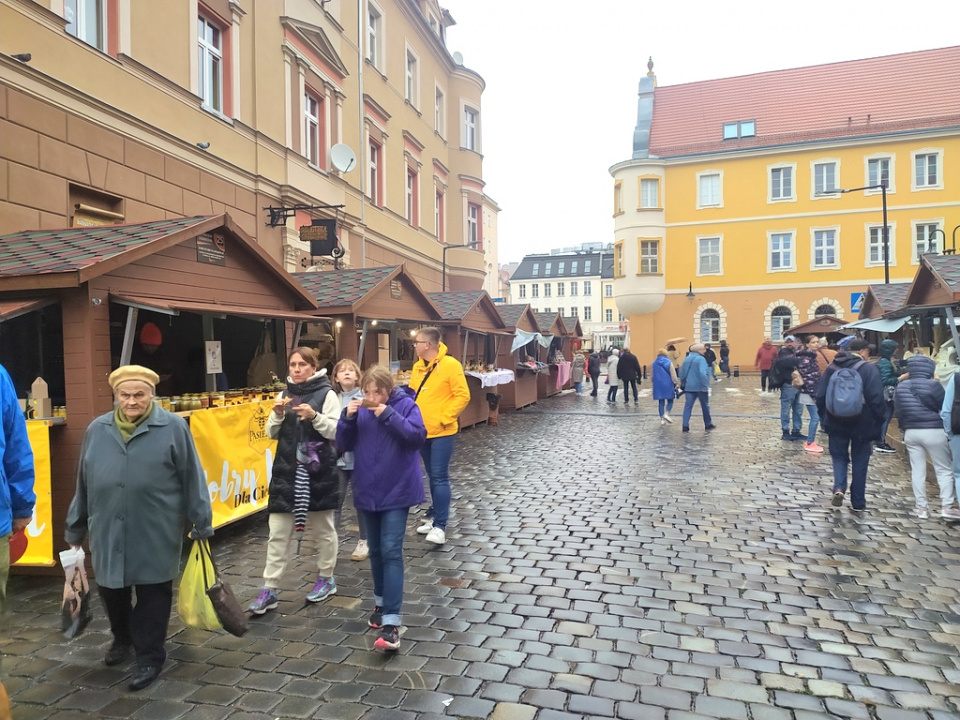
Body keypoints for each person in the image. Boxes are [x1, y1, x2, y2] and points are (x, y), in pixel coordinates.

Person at [64, 365, 212, 691]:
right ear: (116, 396)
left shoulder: (173, 427)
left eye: (139, 395)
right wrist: (75, 529)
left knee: (153, 594)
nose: (132, 401)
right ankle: (122, 639)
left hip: (155, 528)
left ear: (151, 395)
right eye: (125, 395)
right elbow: (83, 483)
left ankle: (150, 655)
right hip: (107, 528)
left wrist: (202, 520)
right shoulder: (97, 429)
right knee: (110, 590)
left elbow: (192, 476)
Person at [336, 366, 426, 652]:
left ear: (389, 389)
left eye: (378, 392)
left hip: (397, 489)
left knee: (390, 550)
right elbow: (341, 444)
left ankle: (392, 623)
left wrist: (387, 413)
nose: (372, 397)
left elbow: (416, 436)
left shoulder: (406, 405)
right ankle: (379, 603)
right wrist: (347, 419)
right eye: (367, 392)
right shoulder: (360, 409)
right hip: (367, 488)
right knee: (374, 550)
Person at [248, 347, 342, 615]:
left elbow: (337, 430)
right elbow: (270, 433)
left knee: (323, 529)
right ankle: (270, 588)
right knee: (277, 532)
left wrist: (315, 417)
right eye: (292, 364)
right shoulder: (284, 393)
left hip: (318, 470)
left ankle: (326, 578)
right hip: (287, 470)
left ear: (314, 367)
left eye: (302, 364)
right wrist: (277, 414)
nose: (297, 369)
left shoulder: (327, 394)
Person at [409, 327, 470, 545]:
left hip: (443, 430)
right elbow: (413, 394)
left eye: (417, 342)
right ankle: (434, 515)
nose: (414, 345)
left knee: (439, 475)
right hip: (422, 429)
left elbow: (462, 395)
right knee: (432, 476)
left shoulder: (450, 365)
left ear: (428, 344)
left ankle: (440, 526)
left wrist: (445, 417)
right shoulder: (418, 367)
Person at [816, 339, 885, 511]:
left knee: (839, 457)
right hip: (863, 421)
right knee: (860, 460)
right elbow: (876, 398)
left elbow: (820, 396)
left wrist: (825, 417)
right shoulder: (869, 369)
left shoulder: (832, 368)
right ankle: (858, 502)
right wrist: (879, 420)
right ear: (862, 351)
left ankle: (839, 488)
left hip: (836, 420)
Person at [896, 355, 960, 520]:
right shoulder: (934, 385)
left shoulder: (901, 386)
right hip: (934, 430)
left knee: (917, 471)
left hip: (911, 432)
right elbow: (944, 407)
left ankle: (921, 509)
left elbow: (899, 411)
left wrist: (904, 429)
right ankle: (947, 506)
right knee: (943, 469)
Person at [332, 358, 367, 561]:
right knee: (335, 501)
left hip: (359, 457)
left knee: (360, 501)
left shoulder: (363, 397)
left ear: (357, 375)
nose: (346, 373)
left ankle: (364, 540)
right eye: (342, 371)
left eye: (350, 370)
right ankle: (331, 542)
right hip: (338, 458)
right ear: (336, 377)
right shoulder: (332, 399)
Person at [796, 336, 824, 453]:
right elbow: (808, 378)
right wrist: (814, 393)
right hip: (809, 391)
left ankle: (810, 441)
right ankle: (810, 442)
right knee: (815, 417)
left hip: (810, 391)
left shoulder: (811, 356)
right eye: (813, 342)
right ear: (807, 344)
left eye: (817, 342)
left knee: (815, 416)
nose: (816, 344)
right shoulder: (806, 358)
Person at [678, 344, 715, 432]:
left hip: (689, 387)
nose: (705, 350)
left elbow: (682, 374)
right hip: (700, 387)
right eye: (703, 349)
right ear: (698, 350)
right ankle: (708, 423)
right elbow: (703, 373)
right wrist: (705, 385)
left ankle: (685, 425)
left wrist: (684, 382)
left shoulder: (686, 359)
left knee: (688, 406)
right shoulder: (701, 359)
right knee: (705, 406)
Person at [875, 339, 901, 454]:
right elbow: (885, 380)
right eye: (895, 348)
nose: (897, 350)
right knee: (885, 418)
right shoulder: (885, 362)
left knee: (884, 418)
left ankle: (880, 440)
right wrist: (901, 378)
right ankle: (881, 442)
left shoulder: (887, 360)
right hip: (887, 395)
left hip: (886, 394)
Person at [774, 346, 803, 441]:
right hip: (790, 385)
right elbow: (785, 363)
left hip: (795, 385)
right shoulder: (786, 357)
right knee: (788, 409)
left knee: (797, 409)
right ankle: (787, 431)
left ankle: (795, 430)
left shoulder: (793, 355)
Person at [652, 349, 679, 425]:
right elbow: (673, 374)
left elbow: (653, 375)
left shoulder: (654, 363)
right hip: (668, 383)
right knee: (670, 400)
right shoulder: (668, 362)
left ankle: (662, 419)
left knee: (661, 401)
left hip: (658, 384)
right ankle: (666, 413)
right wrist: (676, 383)